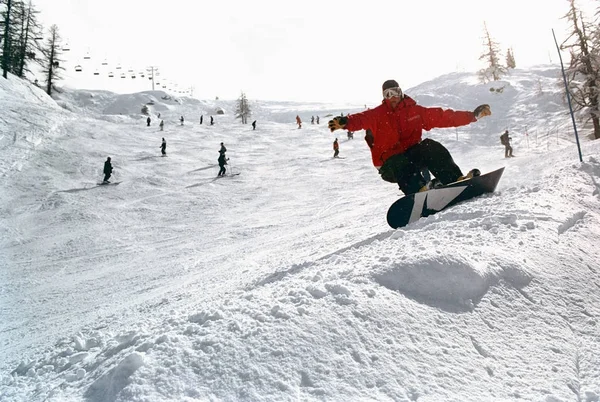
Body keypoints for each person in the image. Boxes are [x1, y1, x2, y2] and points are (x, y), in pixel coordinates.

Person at [328, 79, 491, 195]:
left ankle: (455, 179)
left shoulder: (414, 111)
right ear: (384, 97)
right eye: (388, 94)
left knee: (429, 145)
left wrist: (472, 116)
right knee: (398, 161)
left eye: (396, 92)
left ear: (401, 92)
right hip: (388, 164)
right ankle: (418, 190)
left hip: (412, 156)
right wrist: (346, 122)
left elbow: (442, 117)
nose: (393, 97)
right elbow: (361, 119)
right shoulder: (378, 114)